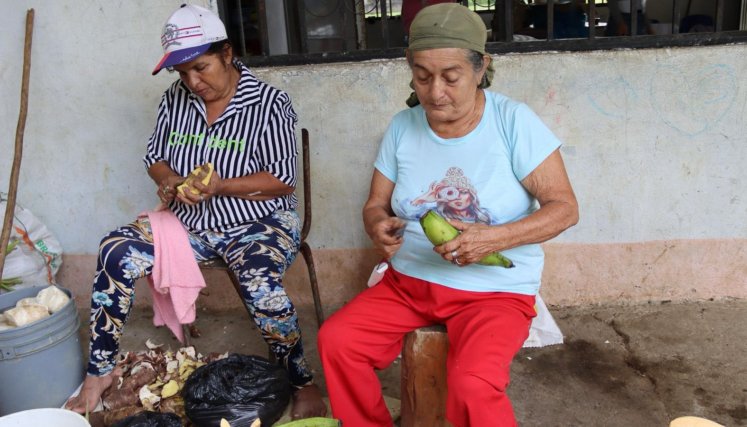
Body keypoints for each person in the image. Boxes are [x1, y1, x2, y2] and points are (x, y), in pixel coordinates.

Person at [317, 3, 578, 427]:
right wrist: (376, 225)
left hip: (495, 291)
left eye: (451, 77)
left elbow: (565, 209)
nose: (435, 91)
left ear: (481, 68)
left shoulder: (513, 121)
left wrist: (492, 239)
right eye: (422, 76)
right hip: (409, 282)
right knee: (337, 342)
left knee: (472, 384)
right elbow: (374, 205)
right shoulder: (403, 125)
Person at [65, 4, 326, 420]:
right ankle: (101, 371)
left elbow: (282, 179)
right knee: (116, 248)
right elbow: (155, 157)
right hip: (190, 227)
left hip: (260, 223)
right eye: (182, 73)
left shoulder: (269, 102)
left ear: (226, 53)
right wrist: (169, 181)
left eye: (201, 68)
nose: (193, 81)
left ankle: (299, 378)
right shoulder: (176, 99)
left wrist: (220, 186)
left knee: (259, 284)